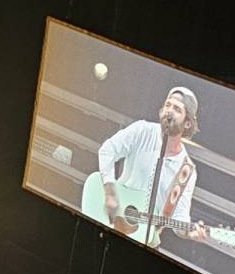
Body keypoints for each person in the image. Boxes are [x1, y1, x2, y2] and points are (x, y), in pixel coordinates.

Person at [88, 85, 209, 243]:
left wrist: (189, 233)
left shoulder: (186, 171)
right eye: (168, 105)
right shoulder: (142, 130)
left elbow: (180, 217)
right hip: (113, 223)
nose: (169, 111)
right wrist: (110, 192)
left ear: (187, 123)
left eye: (177, 109)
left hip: (144, 240)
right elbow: (107, 150)